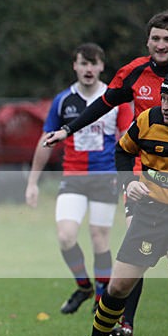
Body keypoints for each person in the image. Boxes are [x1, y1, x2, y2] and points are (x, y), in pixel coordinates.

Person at [44, 10, 168, 336]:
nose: (160, 45)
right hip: (144, 175)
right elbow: (103, 104)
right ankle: (126, 324)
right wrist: (67, 129)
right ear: (147, 41)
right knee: (137, 249)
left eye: (167, 39)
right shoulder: (134, 72)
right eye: (155, 38)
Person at [60, 70, 168, 336]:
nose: (165, 106)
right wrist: (130, 183)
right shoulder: (148, 120)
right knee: (118, 286)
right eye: (163, 99)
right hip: (150, 215)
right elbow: (122, 150)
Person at [26, 43, 133, 314]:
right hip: (73, 177)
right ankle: (84, 285)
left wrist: (126, 179)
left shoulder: (114, 99)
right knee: (66, 237)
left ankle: (101, 301)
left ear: (101, 66)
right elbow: (45, 139)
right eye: (83, 63)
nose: (88, 68)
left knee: (100, 239)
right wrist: (32, 182)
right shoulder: (64, 100)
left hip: (105, 177)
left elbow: (127, 141)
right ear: (74, 66)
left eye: (93, 63)